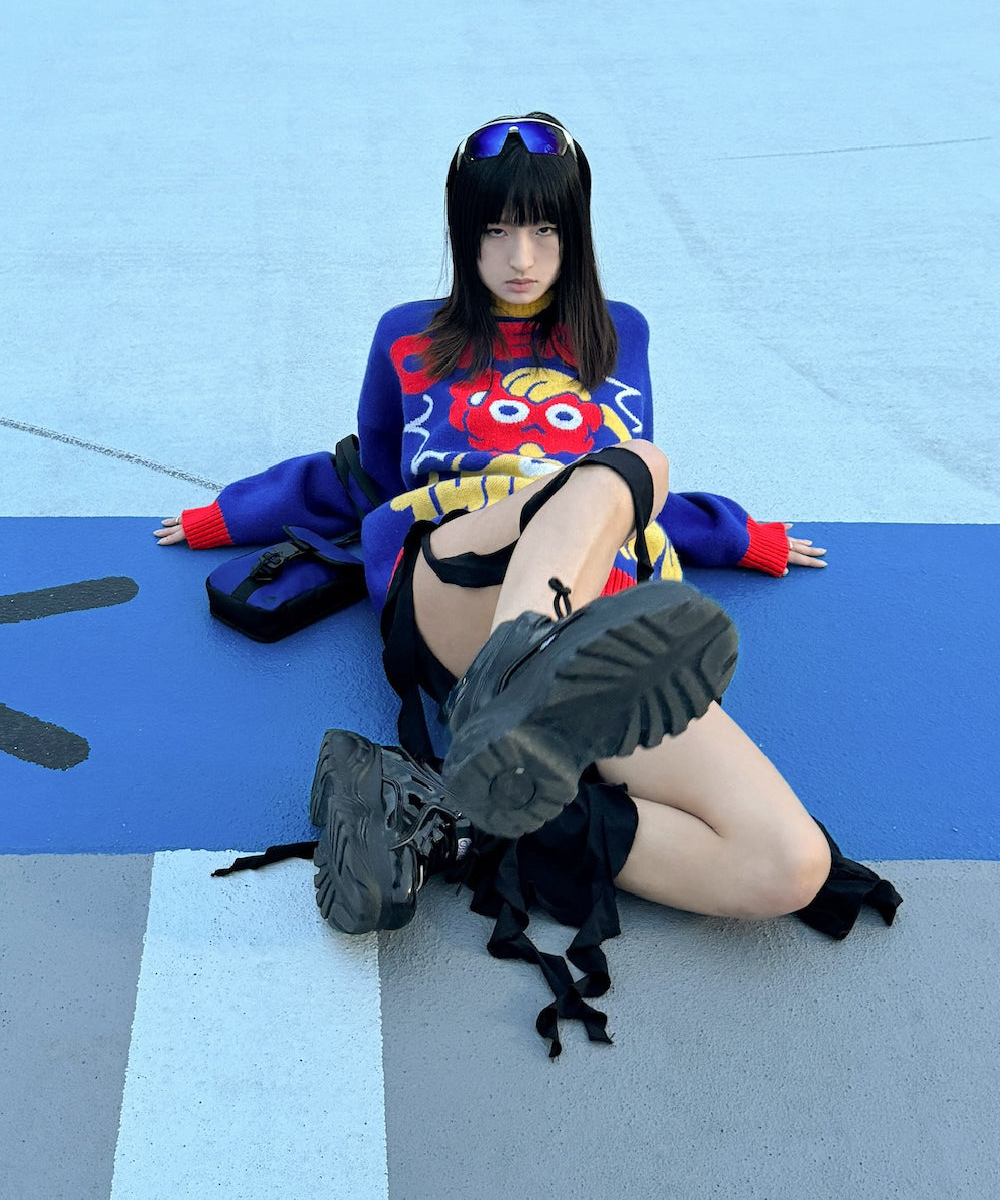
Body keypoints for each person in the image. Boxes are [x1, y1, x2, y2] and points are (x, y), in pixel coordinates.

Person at [158, 114, 900, 1055]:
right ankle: (519, 665)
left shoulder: (617, 335)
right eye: (494, 232)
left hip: (598, 614)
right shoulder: (406, 339)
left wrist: (738, 535)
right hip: (458, 577)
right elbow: (367, 475)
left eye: (543, 231)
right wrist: (233, 514)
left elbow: (619, 506)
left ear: (574, 233)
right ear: (463, 235)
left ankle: (447, 815)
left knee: (786, 863)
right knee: (628, 461)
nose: (519, 256)